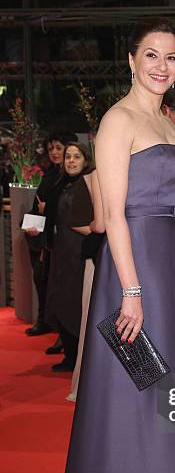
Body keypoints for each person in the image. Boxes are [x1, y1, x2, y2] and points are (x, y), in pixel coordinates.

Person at [50, 18, 175, 473]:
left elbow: (161, 194)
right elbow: (116, 214)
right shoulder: (117, 120)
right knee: (136, 394)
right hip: (137, 272)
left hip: (170, 268)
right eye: (151, 55)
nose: (161, 67)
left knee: (171, 389)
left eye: (171, 59)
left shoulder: (167, 124)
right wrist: (130, 290)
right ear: (131, 59)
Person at [45, 142, 94, 372]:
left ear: (86, 160)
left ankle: (78, 359)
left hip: (80, 252)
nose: (71, 161)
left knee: (76, 303)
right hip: (61, 252)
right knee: (60, 299)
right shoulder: (60, 184)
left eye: (77, 157)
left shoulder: (90, 184)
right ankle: (69, 355)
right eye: (68, 157)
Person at [24, 132, 77, 339]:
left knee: (56, 285)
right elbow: (37, 205)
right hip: (42, 237)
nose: (54, 153)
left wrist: (50, 209)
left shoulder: (69, 177)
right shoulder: (50, 174)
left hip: (62, 239)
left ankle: (58, 331)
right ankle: (46, 322)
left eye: (58, 148)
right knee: (42, 279)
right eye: (51, 149)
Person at [66, 170, 105, 402]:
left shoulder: (95, 177)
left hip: (106, 256)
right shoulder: (94, 179)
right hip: (104, 257)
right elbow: (98, 225)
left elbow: (98, 224)